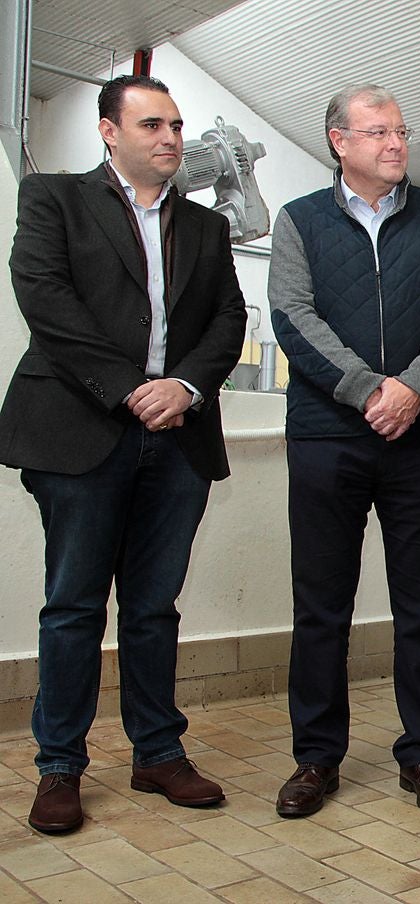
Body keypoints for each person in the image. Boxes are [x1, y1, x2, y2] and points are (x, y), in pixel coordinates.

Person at [2, 74, 246, 834]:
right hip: (80, 430)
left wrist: (185, 388)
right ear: (110, 132)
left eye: (175, 125)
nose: (171, 138)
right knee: (74, 607)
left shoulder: (206, 227)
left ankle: (157, 753)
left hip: (177, 439)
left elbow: (230, 320)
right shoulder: (55, 200)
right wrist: (128, 389)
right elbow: (44, 300)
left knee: (152, 608)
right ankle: (59, 768)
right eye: (152, 125)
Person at [268, 84, 420, 819]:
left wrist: (416, 390)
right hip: (329, 435)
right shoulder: (298, 221)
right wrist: (367, 391)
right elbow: (292, 315)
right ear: (339, 140)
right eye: (379, 132)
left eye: (402, 131)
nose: (397, 144)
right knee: (320, 605)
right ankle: (315, 759)